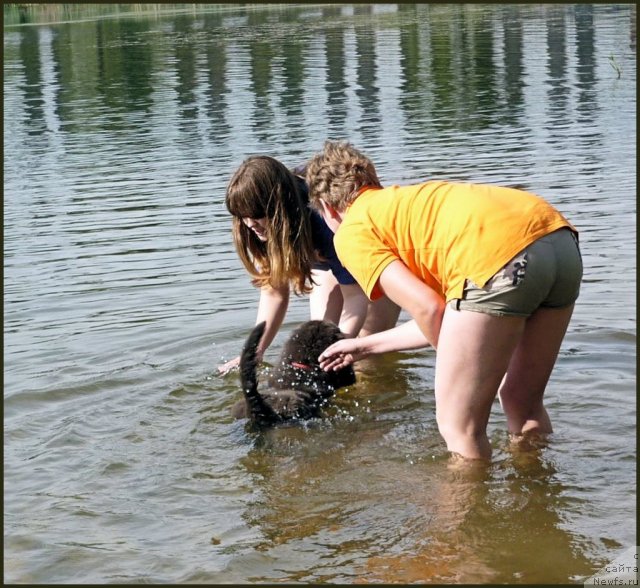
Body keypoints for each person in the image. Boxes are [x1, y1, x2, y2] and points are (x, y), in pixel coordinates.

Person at [305, 140, 583, 461]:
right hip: (558, 239)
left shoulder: (351, 231)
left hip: (497, 257)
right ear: (372, 180)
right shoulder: (407, 206)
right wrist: (365, 345)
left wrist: (459, 370)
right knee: (522, 401)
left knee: (458, 426)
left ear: (326, 207)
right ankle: (537, 496)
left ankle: (467, 513)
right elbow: (452, 316)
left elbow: (429, 309)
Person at [218, 155, 400, 375]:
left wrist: (339, 350)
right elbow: (274, 292)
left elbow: (355, 296)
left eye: (256, 215)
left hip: (373, 260)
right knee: (319, 345)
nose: (249, 224)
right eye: (242, 216)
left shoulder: (324, 220)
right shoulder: (256, 226)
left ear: (278, 207)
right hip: (327, 260)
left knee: (366, 355)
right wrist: (255, 351)